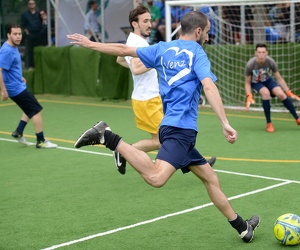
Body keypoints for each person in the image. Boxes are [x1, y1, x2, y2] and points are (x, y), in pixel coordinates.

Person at [67, 11, 260, 243]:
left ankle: (242, 227)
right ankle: (107, 137)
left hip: (173, 129)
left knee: (210, 179)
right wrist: (225, 123)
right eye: (207, 32)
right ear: (198, 31)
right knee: (157, 178)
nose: (208, 37)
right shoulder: (197, 53)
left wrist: (91, 44)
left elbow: (122, 51)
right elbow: (209, 87)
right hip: (181, 130)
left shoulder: (162, 48)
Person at [114, 5, 216, 174]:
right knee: (163, 140)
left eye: (150, 20)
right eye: (145, 21)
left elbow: (120, 59)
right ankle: (123, 150)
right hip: (146, 98)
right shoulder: (137, 42)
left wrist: (149, 63)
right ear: (135, 24)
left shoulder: (134, 40)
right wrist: (160, 61)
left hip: (150, 97)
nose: (150, 24)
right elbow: (138, 68)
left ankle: (198, 164)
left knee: (168, 136)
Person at [0, 24, 58, 149]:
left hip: (17, 84)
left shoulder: (12, 47)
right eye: (15, 34)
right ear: (8, 35)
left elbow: (8, 69)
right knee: (36, 110)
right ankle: (41, 141)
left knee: (30, 107)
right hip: (14, 89)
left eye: (19, 34)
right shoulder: (7, 50)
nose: (18, 36)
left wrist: (18, 77)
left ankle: (18, 132)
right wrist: (3, 90)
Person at [244, 43, 300, 133]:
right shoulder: (250, 64)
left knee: (281, 94)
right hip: (256, 83)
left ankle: (298, 119)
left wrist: (288, 92)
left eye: (263, 52)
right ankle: (269, 123)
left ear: (267, 52)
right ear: (256, 53)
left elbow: (279, 79)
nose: (261, 55)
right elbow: (247, 83)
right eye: (259, 52)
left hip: (268, 80)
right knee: (266, 93)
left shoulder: (270, 62)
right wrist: (249, 95)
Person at [21, 0, 42, 69]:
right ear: (28, 5)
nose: (31, 5)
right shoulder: (25, 14)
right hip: (30, 34)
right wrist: (27, 32)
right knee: (30, 51)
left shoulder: (39, 13)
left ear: (35, 4)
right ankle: (31, 66)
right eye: (30, 4)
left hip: (39, 34)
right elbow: (23, 25)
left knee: (39, 49)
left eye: (33, 4)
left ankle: (39, 64)